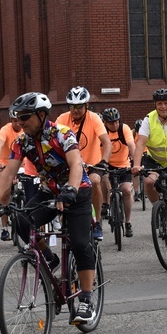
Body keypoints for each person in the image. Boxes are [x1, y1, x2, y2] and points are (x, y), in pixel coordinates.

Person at [0, 92, 98, 324]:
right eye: (18, 117)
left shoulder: (62, 134)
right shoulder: (22, 141)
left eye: (25, 117)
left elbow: (76, 164)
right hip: (49, 191)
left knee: (79, 242)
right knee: (22, 221)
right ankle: (49, 257)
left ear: (42, 115)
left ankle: (86, 300)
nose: (20, 122)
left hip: (77, 191)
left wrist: (71, 190)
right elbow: (8, 173)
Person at [131, 88, 167, 250]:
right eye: (160, 103)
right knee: (149, 182)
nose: (163, 106)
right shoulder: (148, 119)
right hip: (154, 159)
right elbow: (141, 143)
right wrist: (136, 165)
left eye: (166, 103)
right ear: (155, 105)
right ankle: (159, 207)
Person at [56, 86, 112, 240]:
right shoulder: (62, 119)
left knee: (95, 181)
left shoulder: (94, 118)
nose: (76, 110)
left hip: (92, 165)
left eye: (79, 106)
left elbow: (106, 142)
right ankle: (63, 221)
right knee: (62, 188)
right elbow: (53, 142)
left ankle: (98, 222)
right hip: (70, 166)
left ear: (86, 106)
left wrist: (104, 162)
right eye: (73, 106)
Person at [100, 107, 136, 237]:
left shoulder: (123, 128)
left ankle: (128, 222)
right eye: (110, 122)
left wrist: (136, 164)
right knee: (103, 178)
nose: (114, 124)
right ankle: (105, 203)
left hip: (123, 165)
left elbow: (132, 145)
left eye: (116, 121)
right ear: (105, 122)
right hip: (107, 165)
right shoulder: (102, 131)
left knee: (126, 190)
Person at [0, 110, 23, 241]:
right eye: (14, 120)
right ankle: (4, 229)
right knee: (4, 196)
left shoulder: (26, 130)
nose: (17, 123)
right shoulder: (5, 130)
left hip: (23, 166)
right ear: (11, 120)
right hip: (7, 165)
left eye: (19, 120)